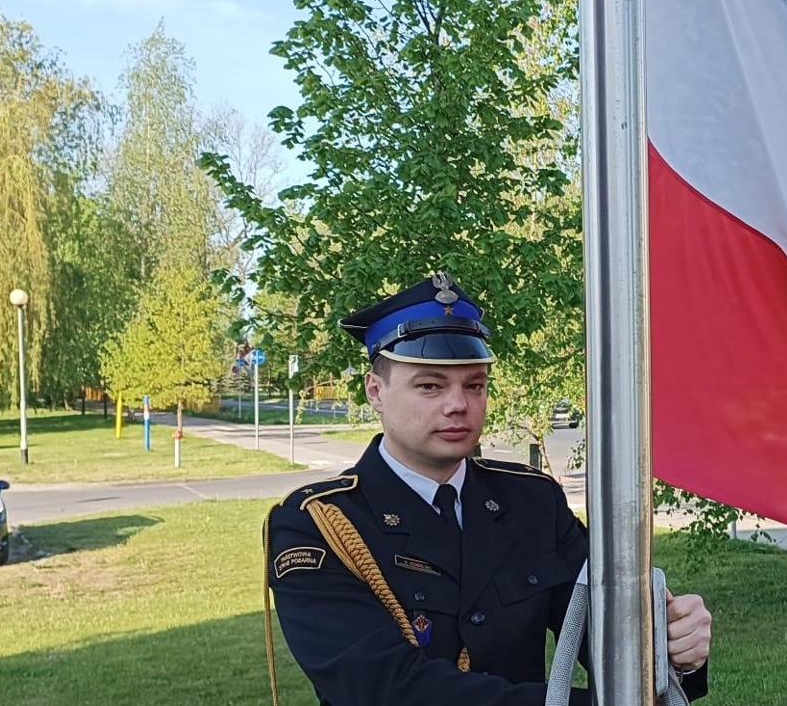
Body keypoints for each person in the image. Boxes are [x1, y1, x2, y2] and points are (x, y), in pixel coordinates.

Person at [265, 273, 712, 705]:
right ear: (375, 392)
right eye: (430, 386)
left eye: (474, 385)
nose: (458, 404)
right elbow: (383, 688)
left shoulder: (532, 503)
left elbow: (608, 641)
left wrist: (673, 650)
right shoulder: (318, 526)